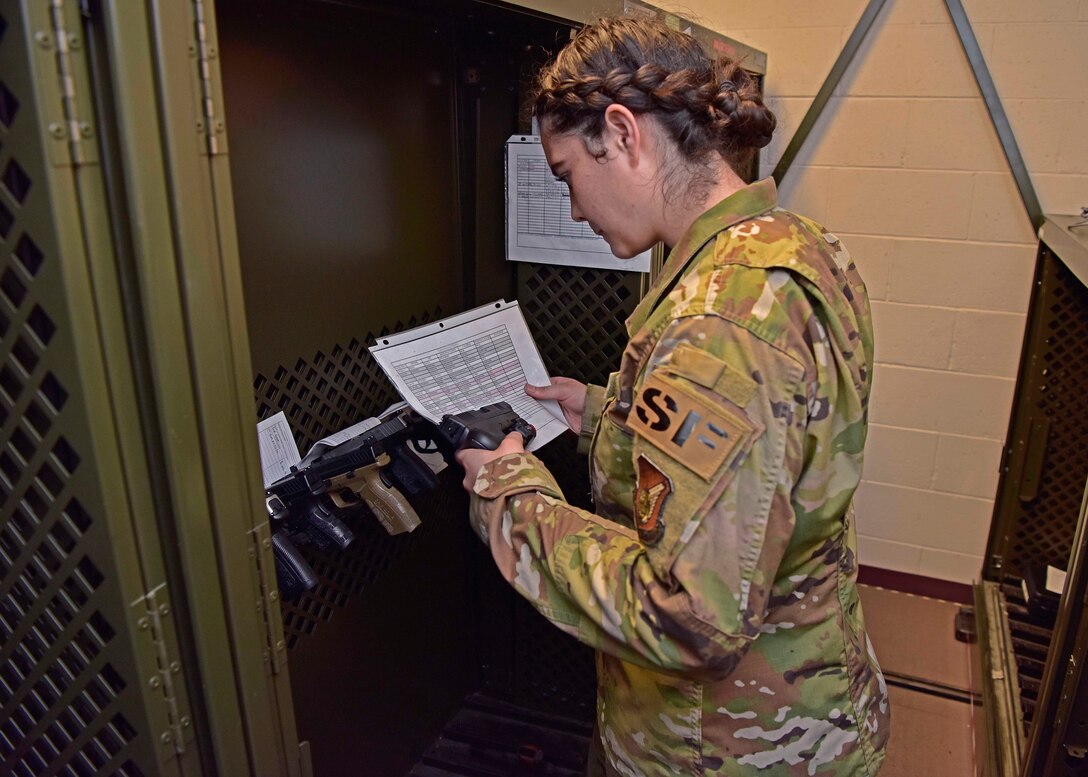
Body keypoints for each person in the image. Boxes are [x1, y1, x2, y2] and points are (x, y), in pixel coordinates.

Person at [456, 16, 889, 776]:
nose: (574, 208)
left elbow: (690, 619)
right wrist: (603, 415)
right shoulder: (788, 247)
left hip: (723, 746)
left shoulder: (717, 322)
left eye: (566, 173)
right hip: (808, 705)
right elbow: (770, 458)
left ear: (622, 135)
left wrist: (509, 494)